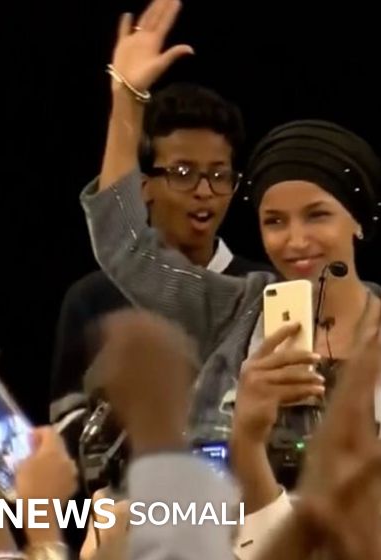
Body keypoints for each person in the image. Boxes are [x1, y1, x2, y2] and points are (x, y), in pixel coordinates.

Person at [82, 0, 381, 560]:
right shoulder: (232, 309)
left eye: (316, 216)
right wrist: (127, 99)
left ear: (358, 221)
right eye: (274, 221)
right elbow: (124, 246)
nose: (294, 241)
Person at [49, 81, 269, 427]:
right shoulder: (92, 298)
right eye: (183, 173)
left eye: (219, 175)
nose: (204, 191)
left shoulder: (265, 295)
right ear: (142, 187)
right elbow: (67, 428)